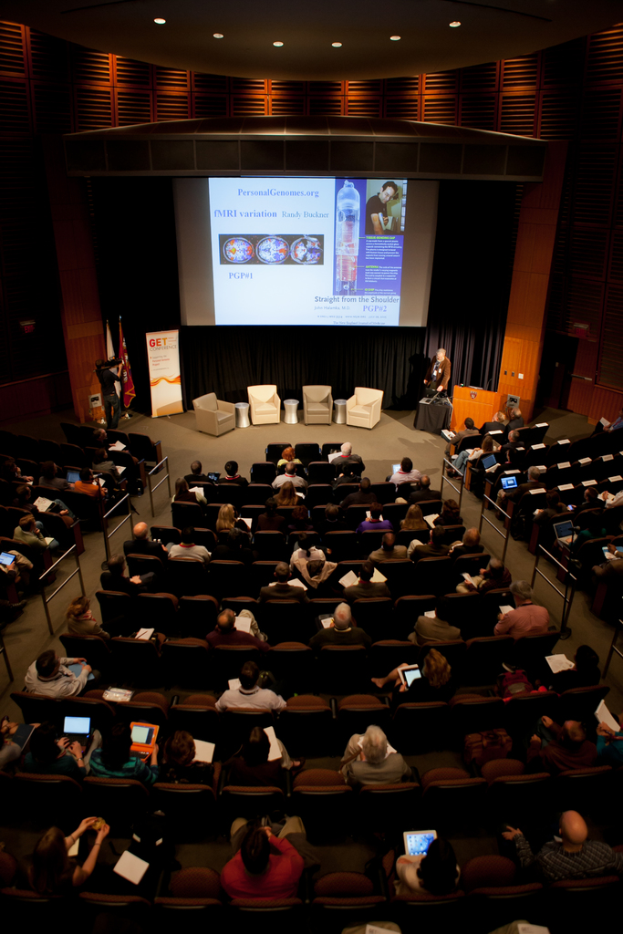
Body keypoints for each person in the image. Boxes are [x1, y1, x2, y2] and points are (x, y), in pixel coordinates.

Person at [502, 810, 623, 882]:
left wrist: (519, 838)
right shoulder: (604, 852)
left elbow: (527, 865)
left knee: (503, 827)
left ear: (560, 832)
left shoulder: (547, 860)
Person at [220, 820, 305, 899]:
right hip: (284, 914)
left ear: (243, 856)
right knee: (295, 820)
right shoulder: (290, 868)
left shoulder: (228, 875)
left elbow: (239, 854)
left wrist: (251, 838)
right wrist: (271, 837)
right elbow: (294, 854)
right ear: (270, 852)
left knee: (238, 821)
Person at [29, 818, 110, 895]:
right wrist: (98, 842)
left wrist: (79, 830)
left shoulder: (32, 867)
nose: (66, 840)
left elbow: (55, 848)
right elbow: (86, 871)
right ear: (62, 854)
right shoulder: (73, 874)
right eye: (63, 840)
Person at [372, 647, 455, 705]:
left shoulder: (418, 684)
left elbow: (402, 702)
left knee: (399, 679)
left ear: (428, 671)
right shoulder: (449, 685)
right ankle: (381, 681)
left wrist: (400, 691)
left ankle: (383, 685)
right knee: (404, 666)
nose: (423, 667)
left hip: (411, 713)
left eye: (424, 665)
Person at [89, 721, 159, 785]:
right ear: (128, 743)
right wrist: (154, 754)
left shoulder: (95, 755)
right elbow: (153, 779)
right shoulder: (136, 764)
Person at [226, 726, 299, 787]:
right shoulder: (275, 768)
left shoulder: (236, 765)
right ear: (268, 749)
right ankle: (291, 764)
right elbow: (280, 786)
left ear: (244, 750)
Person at [340, 724, 413, 785]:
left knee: (354, 738)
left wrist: (361, 762)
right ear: (386, 750)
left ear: (364, 751)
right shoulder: (398, 761)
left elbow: (350, 785)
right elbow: (409, 774)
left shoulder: (356, 769)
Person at [526, 716, 597, 774]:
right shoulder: (591, 748)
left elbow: (532, 764)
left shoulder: (549, 753)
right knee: (541, 722)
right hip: (563, 758)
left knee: (540, 735)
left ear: (562, 738)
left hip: (550, 765)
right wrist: (552, 726)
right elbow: (569, 738)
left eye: (562, 727)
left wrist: (535, 744)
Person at [395, 837, 460, 896]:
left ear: (429, 859)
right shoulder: (456, 873)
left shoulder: (409, 874)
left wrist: (422, 858)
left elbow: (400, 860)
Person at [22, 722, 88, 779]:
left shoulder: (28, 759)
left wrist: (60, 747)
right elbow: (82, 775)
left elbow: (45, 753)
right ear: (52, 746)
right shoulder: (67, 762)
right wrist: (79, 755)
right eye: (55, 741)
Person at [215, 660, 287, 712]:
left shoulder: (227, 696)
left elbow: (217, 709)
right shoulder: (269, 696)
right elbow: (283, 707)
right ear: (257, 680)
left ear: (239, 680)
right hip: (262, 731)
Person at [24, 650, 93, 698]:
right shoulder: (59, 690)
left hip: (61, 683)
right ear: (54, 669)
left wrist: (72, 660)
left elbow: (57, 661)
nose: (60, 659)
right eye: (58, 660)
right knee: (96, 674)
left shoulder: (34, 666)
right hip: (70, 691)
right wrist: (85, 671)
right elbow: (76, 687)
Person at [95, 357, 121, 430]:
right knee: (117, 410)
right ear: (103, 365)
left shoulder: (98, 371)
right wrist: (120, 368)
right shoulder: (107, 372)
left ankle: (109, 426)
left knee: (108, 411)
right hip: (111, 394)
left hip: (105, 394)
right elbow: (117, 378)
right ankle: (113, 427)